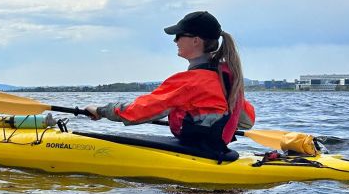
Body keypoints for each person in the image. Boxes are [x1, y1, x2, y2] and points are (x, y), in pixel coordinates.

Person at [85, 11, 255, 154]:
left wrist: (101, 111)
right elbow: (247, 121)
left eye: (179, 36)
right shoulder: (227, 78)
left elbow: (140, 110)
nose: (175, 41)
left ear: (196, 40)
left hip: (196, 152)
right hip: (215, 150)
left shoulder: (190, 82)